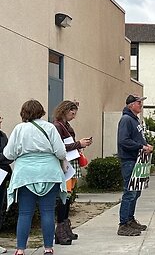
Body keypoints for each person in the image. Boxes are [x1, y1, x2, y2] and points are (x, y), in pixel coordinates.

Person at [3, 100, 67, 255]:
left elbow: (8, 154)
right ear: (41, 111)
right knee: (47, 212)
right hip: (49, 173)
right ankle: (48, 248)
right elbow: (61, 152)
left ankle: (20, 249)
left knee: (25, 213)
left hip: (26, 175)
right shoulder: (50, 127)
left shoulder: (19, 129)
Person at [52, 100, 92, 244]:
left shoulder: (64, 125)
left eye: (75, 112)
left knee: (67, 198)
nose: (74, 115)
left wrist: (79, 146)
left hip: (70, 163)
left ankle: (65, 229)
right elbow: (59, 146)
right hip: (65, 165)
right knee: (64, 198)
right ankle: (60, 232)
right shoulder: (57, 126)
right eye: (71, 111)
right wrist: (78, 144)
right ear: (63, 111)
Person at [117, 95, 153, 236]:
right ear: (131, 105)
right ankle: (123, 224)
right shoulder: (126, 120)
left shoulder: (134, 120)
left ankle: (130, 219)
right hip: (129, 161)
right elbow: (123, 141)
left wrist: (145, 145)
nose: (141, 105)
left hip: (137, 161)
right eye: (139, 103)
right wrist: (141, 147)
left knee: (136, 192)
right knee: (130, 192)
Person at [0, 113, 13, 254]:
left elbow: (9, 154)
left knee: (1, 208)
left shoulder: (3, 135)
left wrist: (4, 158)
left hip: (3, 176)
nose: (0, 121)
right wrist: (4, 157)